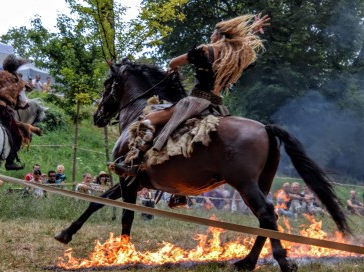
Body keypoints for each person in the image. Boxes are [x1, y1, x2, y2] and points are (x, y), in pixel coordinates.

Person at [111, 14, 270, 207]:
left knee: (151, 119)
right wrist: (252, 29)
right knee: (189, 138)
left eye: (213, 32)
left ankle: (132, 164)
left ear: (218, 35)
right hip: (215, 106)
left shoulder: (205, 50)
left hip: (195, 101)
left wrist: (173, 69)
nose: (211, 35)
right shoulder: (235, 57)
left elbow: (173, 63)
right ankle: (180, 192)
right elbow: (242, 46)